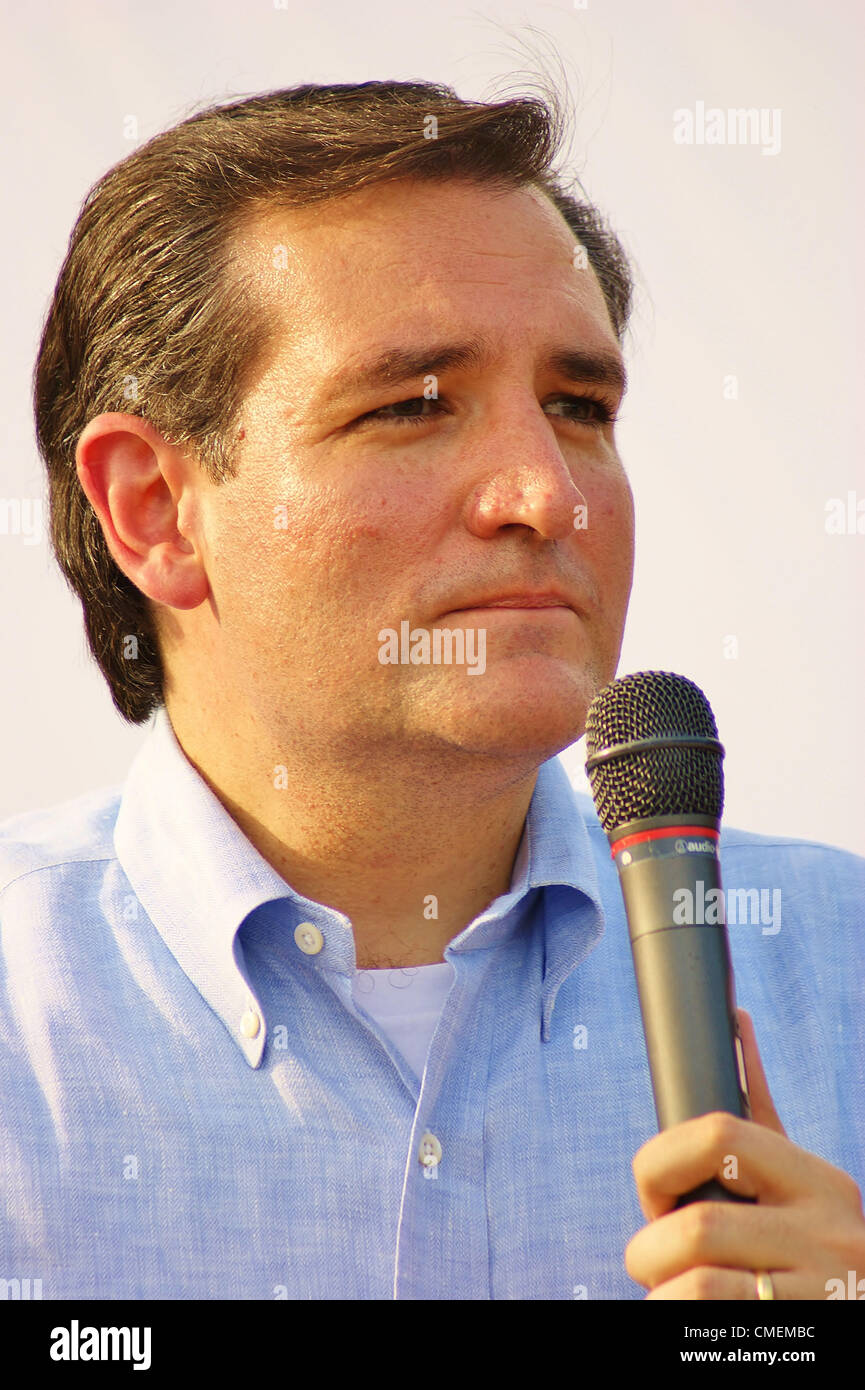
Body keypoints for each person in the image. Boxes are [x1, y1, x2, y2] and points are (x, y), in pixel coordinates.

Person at [2, 80, 863, 1302]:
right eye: (410, 406)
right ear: (155, 510)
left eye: (578, 407)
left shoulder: (845, 970)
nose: (545, 494)